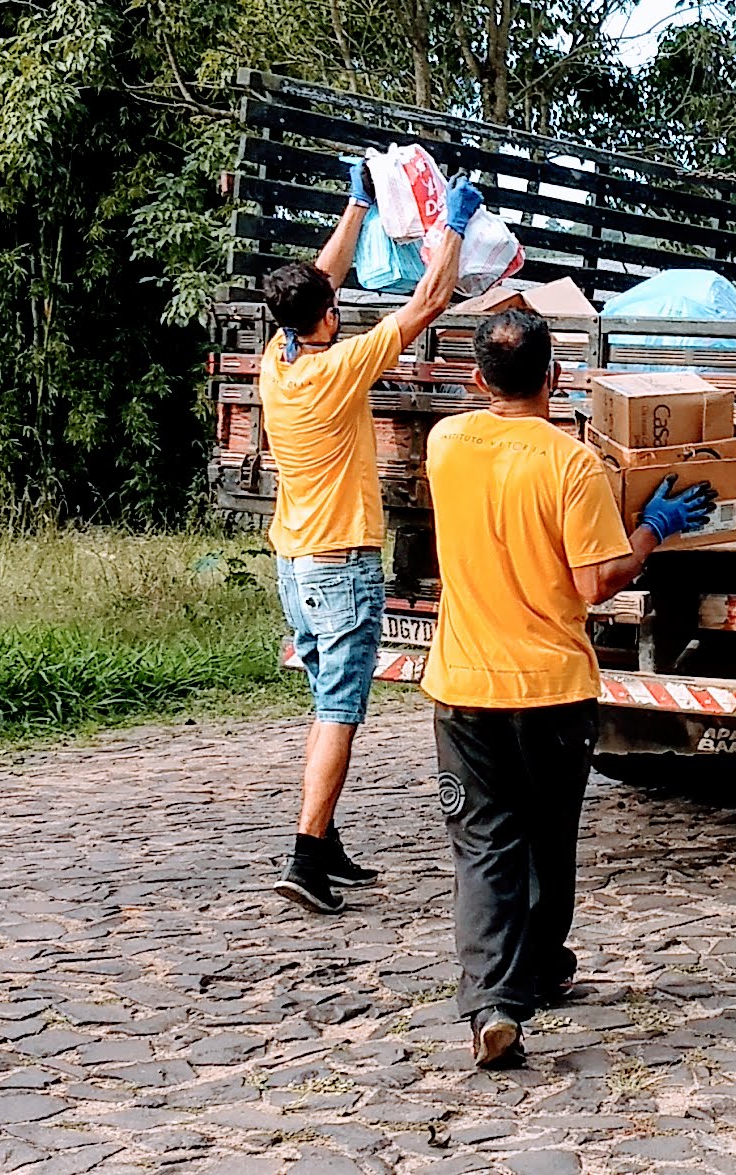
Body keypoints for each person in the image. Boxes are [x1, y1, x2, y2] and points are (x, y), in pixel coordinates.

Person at [421, 308, 716, 1069]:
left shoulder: (445, 442)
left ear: (479, 380)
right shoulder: (571, 463)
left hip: (463, 684)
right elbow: (596, 582)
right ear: (555, 377)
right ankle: (543, 968)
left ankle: (494, 1001)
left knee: (485, 844)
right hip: (551, 689)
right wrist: (652, 528)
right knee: (549, 835)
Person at [264, 162, 483, 915]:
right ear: (327, 318)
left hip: (294, 559)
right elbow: (428, 301)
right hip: (338, 561)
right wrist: (453, 224)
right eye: (334, 306)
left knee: (329, 697)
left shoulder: (280, 359)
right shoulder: (340, 368)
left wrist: (356, 206)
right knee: (339, 709)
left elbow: (318, 279)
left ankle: (324, 844)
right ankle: (304, 853)